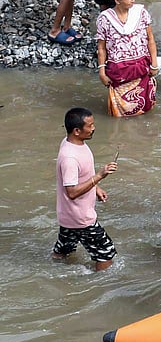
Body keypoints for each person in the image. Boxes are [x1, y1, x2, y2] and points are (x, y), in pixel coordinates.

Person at [53, 107, 119, 271]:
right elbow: (72, 192)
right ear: (76, 131)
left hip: (68, 215)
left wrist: (96, 188)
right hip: (80, 218)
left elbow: (81, 176)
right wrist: (100, 176)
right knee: (105, 253)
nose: (93, 128)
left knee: (64, 249)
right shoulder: (70, 158)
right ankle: (102, 283)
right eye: (90, 126)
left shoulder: (70, 142)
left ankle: (54, 273)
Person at [96, 0, 158, 117]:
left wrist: (154, 64)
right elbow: (101, 47)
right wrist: (102, 72)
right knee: (120, 110)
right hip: (119, 71)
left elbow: (150, 39)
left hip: (142, 68)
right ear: (117, 0)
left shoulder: (141, 13)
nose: (133, 0)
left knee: (145, 107)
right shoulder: (105, 19)